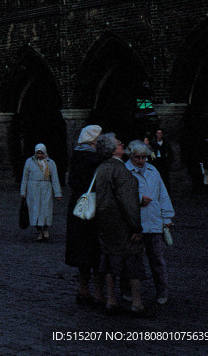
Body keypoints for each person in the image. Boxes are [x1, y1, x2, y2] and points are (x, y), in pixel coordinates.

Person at [93, 132, 149, 317]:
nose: (121, 144)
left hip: (104, 222)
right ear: (112, 149)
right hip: (121, 223)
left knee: (109, 260)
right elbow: (128, 202)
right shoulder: (120, 170)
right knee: (132, 261)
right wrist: (136, 227)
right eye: (118, 143)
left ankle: (111, 299)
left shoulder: (101, 168)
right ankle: (137, 302)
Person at [125, 140, 174, 306]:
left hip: (153, 223)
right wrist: (138, 200)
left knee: (157, 260)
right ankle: (128, 291)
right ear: (131, 156)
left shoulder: (153, 171)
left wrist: (167, 217)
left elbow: (163, 195)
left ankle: (162, 291)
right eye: (137, 157)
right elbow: (121, 197)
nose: (141, 160)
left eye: (144, 157)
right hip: (134, 224)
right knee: (131, 261)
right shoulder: (125, 171)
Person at [65, 125, 105, 308]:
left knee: (81, 249)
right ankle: (97, 291)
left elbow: (72, 181)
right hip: (94, 206)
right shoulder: (97, 158)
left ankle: (83, 289)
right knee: (96, 249)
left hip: (78, 206)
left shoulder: (76, 155)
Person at [21, 143, 62, 242]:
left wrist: (58, 193)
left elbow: (55, 178)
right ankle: (39, 231)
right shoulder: (29, 162)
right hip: (33, 189)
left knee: (46, 209)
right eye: (38, 153)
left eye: (41, 153)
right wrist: (23, 191)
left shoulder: (50, 163)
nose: (39, 155)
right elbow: (25, 178)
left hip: (46, 188)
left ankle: (46, 229)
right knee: (35, 210)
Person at [149, 128, 173, 192]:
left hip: (164, 161)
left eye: (161, 133)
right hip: (157, 162)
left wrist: (169, 162)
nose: (160, 135)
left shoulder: (166, 143)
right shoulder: (153, 143)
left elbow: (170, 152)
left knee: (166, 177)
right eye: (158, 133)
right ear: (156, 134)